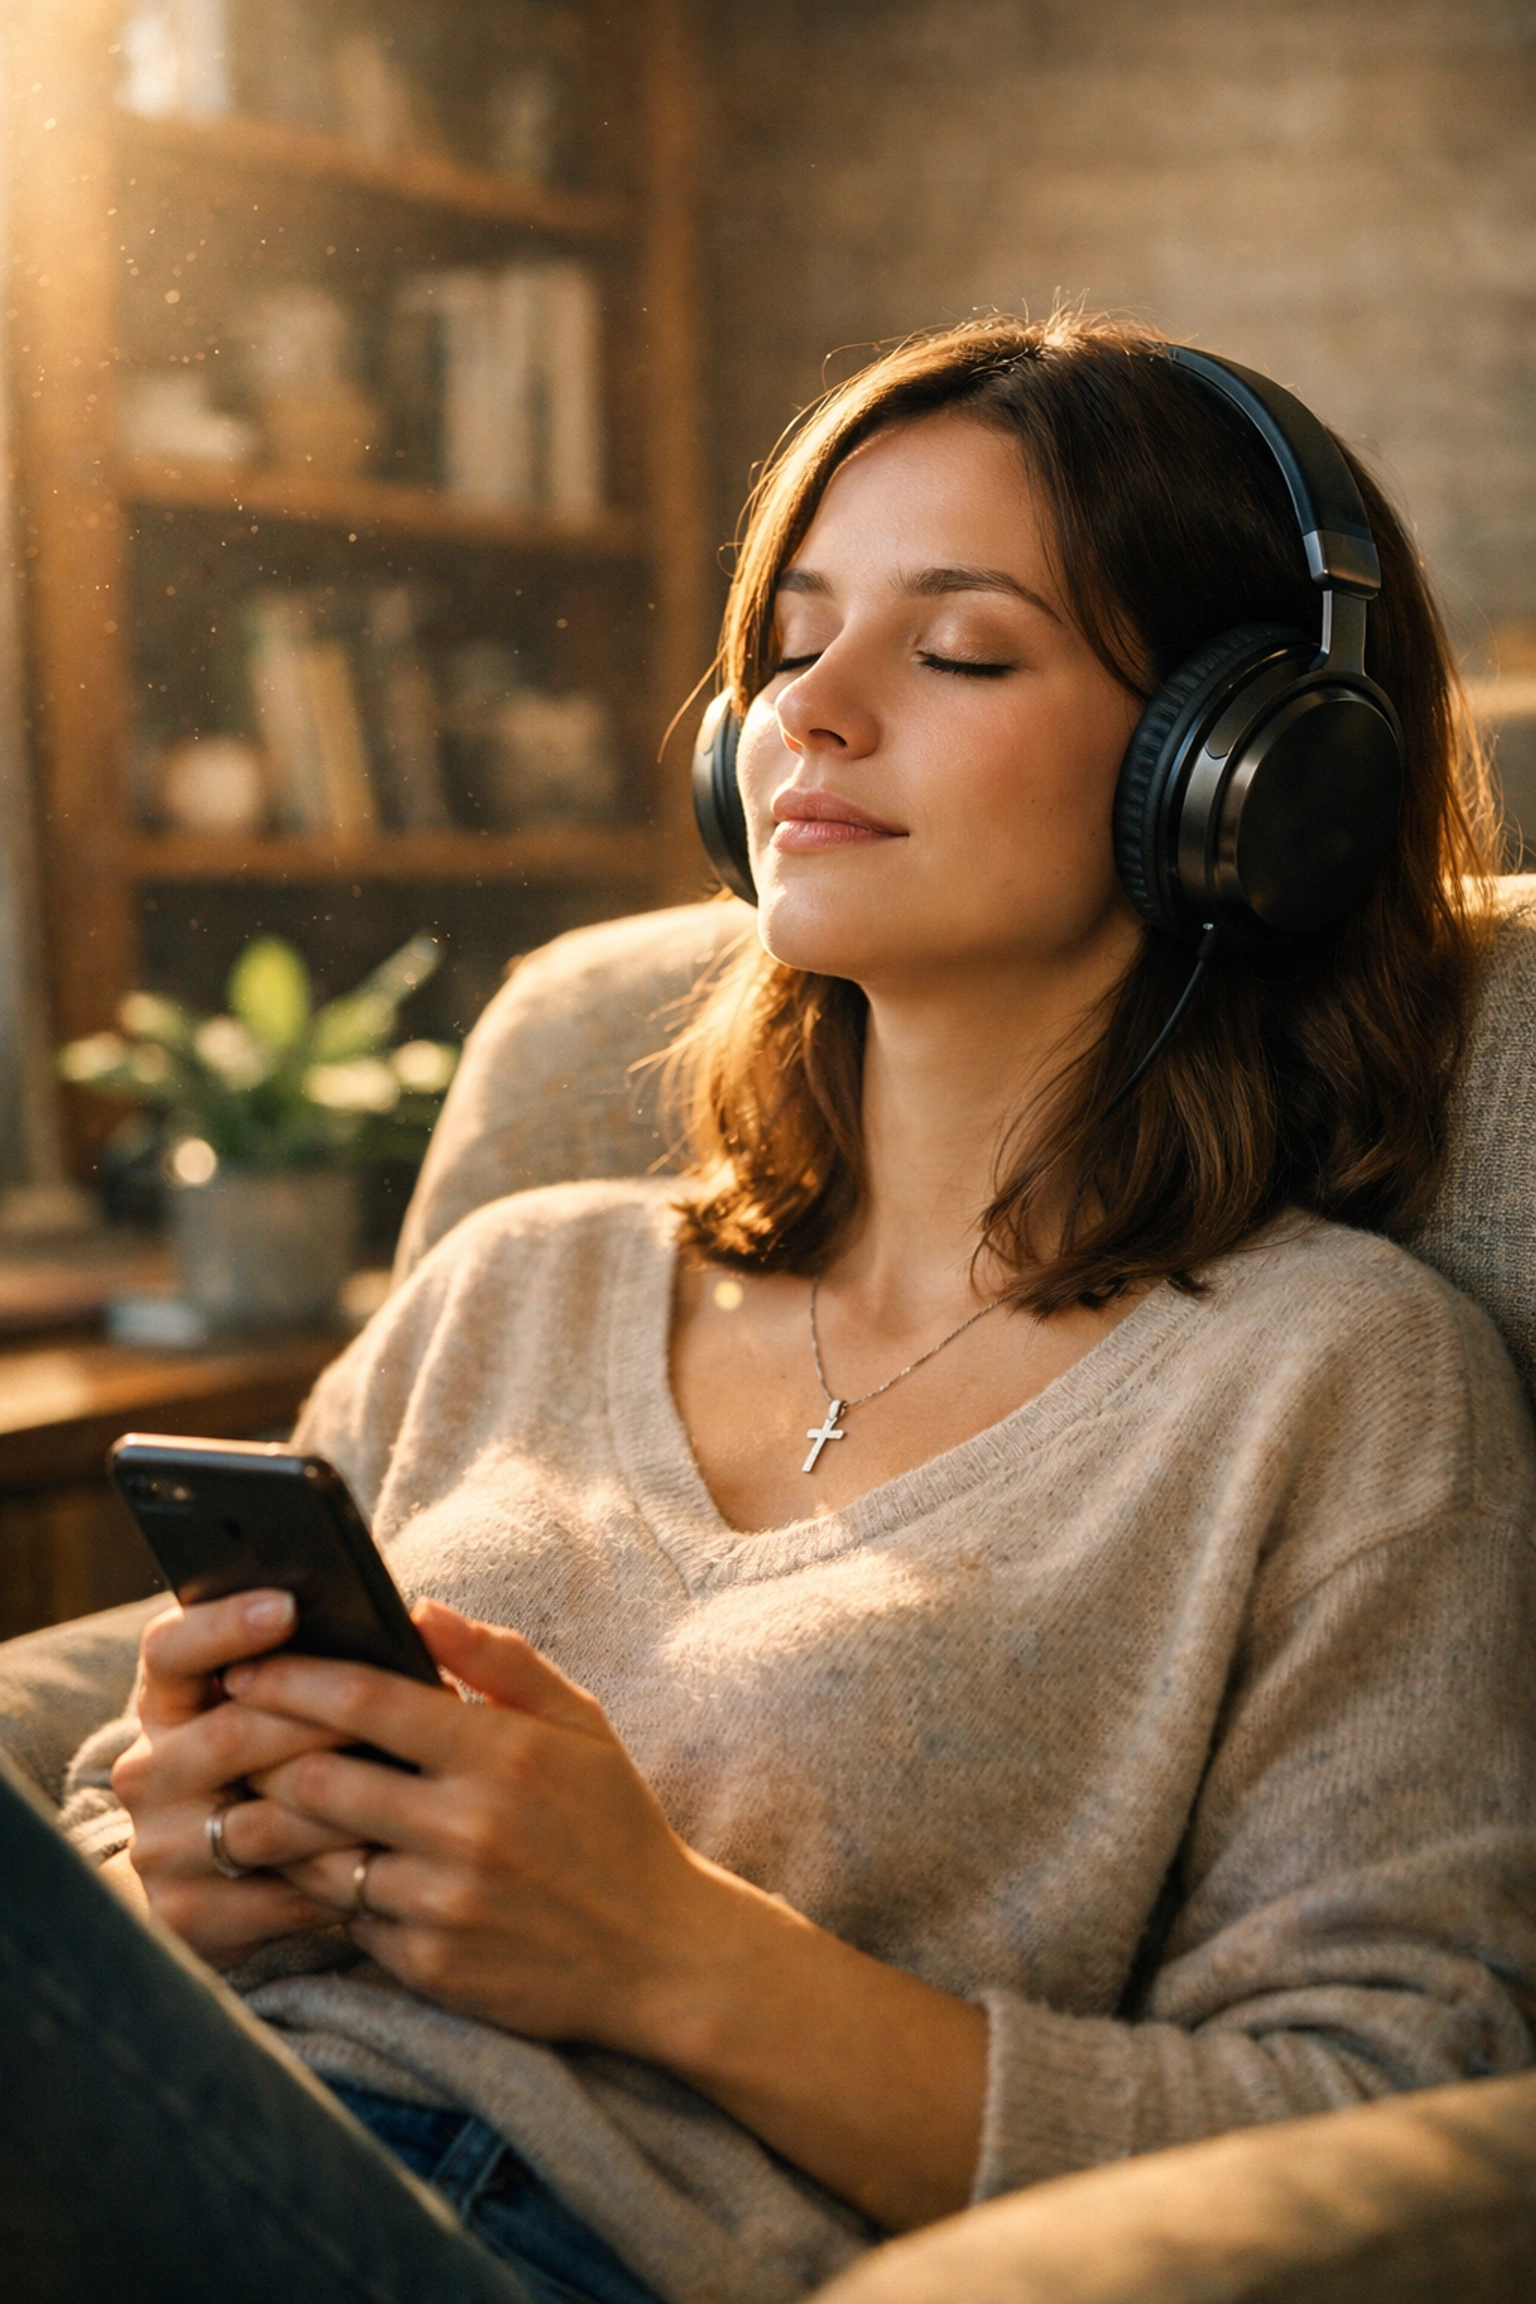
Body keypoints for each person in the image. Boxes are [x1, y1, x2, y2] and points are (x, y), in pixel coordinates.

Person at [10, 310, 1536, 2304]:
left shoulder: (1332, 1384)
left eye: (963, 645)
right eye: (794, 633)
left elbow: (1395, 2105)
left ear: (1246, 776)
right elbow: (131, 1825)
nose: (806, 708)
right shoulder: (519, 1280)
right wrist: (178, 1870)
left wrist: (671, 1955)